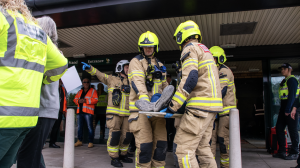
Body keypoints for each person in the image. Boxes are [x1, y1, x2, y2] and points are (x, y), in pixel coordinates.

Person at [0, 1, 68, 166]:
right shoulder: (38, 34)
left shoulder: (4, 19)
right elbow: (61, 64)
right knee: (29, 157)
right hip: (27, 115)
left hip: (6, 112)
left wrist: (43, 79)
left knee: (29, 158)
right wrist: (44, 77)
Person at [165, 20, 223, 168]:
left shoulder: (188, 48)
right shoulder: (206, 50)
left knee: (184, 151)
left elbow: (191, 78)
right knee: (203, 149)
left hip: (199, 109)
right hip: (211, 110)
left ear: (181, 36)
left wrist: (173, 105)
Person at [16, 16, 67, 168]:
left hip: (41, 109)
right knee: (33, 154)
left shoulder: (42, 49)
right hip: (45, 109)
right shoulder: (54, 51)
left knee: (27, 156)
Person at [128, 31, 170, 168]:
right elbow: (138, 83)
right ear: (141, 47)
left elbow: (165, 87)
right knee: (144, 149)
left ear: (155, 47)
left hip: (158, 112)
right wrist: (146, 103)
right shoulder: (136, 62)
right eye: (145, 47)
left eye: (151, 46)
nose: (148, 49)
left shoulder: (160, 65)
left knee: (161, 147)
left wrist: (170, 103)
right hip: (141, 112)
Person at [82, 60, 133, 167]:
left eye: (129, 67)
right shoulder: (111, 79)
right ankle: (114, 158)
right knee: (114, 136)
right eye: (126, 67)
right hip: (114, 114)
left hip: (128, 114)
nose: (128, 69)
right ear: (120, 68)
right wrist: (90, 68)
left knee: (127, 136)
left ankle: (123, 154)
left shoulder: (132, 81)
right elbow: (99, 74)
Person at [208, 46, 236, 168]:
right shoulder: (213, 70)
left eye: (214, 58)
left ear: (219, 58)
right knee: (211, 141)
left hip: (224, 112)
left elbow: (221, 91)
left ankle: (225, 166)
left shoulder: (223, 71)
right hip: (215, 112)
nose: (212, 60)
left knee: (222, 140)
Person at [273, 63, 299, 160]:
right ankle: (282, 151)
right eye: (282, 69)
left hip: (291, 108)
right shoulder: (285, 80)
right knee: (279, 128)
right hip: (284, 108)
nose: (282, 71)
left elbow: (292, 96)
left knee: (293, 130)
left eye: (284, 69)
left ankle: (295, 152)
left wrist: (289, 109)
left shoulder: (292, 80)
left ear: (289, 69)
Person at [73, 78, 98, 148]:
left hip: (88, 112)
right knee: (79, 127)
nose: (86, 83)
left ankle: (90, 142)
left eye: (87, 82)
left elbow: (96, 100)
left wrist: (86, 100)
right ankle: (79, 141)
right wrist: (78, 101)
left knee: (90, 127)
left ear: (89, 83)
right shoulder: (79, 91)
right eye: (84, 82)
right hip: (80, 112)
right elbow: (74, 99)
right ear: (82, 83)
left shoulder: (93, 91)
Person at [49, 79, 67, 148]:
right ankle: (42, 142)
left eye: (62, 80)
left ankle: (52, 142)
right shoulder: (53, 87)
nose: (61, 81)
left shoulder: (62, 89)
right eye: (60, 80)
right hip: (52, 110)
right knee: (48, 127)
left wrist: (64, 110)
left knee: (56, 128)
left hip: (59, 111)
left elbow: (64, 100)